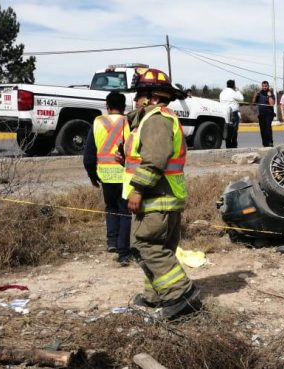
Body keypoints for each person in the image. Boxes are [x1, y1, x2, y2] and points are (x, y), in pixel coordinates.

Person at [123, 68, 201, 320]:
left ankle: (182, 295)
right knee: (156, 247)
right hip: (162, 198)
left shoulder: (156, 118)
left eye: (139, 95)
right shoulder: (155, 118)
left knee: (146, 244)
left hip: (157, 197)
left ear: (152, 98)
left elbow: (155, 159)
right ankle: (155, 296)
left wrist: (138, 189)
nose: (135, 100)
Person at [83, 92, 131, 266]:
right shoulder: (129, 122)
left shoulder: (97, 122)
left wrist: (92, 175)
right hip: (124, 174)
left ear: (107, 105)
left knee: (110, 208)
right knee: (125, 212)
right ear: (124, 106)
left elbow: (88, 155)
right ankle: (123, 251)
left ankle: (111, 241)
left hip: (105, 175)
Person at [219, 79, 244, 148]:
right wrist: (238, 90)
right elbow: (241, 99)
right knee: (234, 131)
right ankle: (233, 146)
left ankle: (228, 146)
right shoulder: (232, 92)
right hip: (233, 113)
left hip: (224, 113)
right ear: (234, 85)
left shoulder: (222, 92)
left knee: (228, 129)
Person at [253, 81, 275, 147]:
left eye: (266, 86)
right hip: (261, 114)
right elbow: (254, 103)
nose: (264, 87)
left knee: (268, 127)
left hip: (269, 114)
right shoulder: (259, 93)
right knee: (262, 129)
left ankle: (270, 142)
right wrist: (255, 96)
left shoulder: (271, 93)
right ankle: (265, 144)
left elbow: (272, 104)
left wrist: (269, 96)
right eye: (263, 86)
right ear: (261, 86)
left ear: (268, 86)